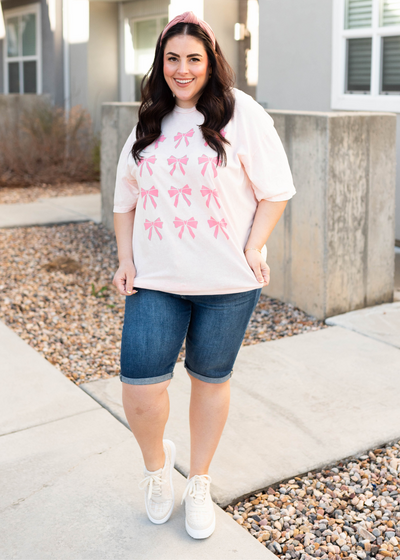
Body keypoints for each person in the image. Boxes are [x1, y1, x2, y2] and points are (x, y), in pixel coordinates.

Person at [112, 11, 296, 540]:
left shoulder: (242, 115)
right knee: (140, 388)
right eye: (173, 59)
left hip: (227, 284)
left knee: (210, 381)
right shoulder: (150, 120)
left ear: (212, 62)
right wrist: (126, 259)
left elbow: (276, 189)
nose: (183, 69)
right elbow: (125, 201)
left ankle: (198, 481)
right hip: (156, 281)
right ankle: (156, 470)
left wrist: (253, 244)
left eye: (194, 58)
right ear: (161, 64)